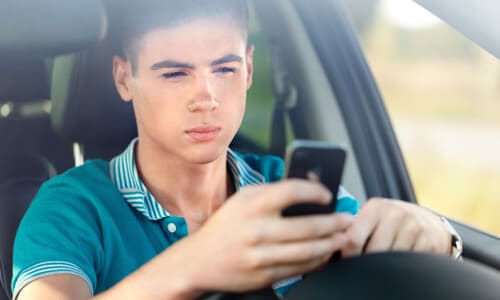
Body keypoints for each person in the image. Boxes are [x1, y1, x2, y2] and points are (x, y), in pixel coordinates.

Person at [12, 1, 460, 299]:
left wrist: (436, 234)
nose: (205, 96)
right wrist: (195, 264)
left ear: (248, 69)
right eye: (174, 74)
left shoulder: (287, 187)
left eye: (223, 68)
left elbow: (374, 248)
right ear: (123, 78)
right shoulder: (71, 208)